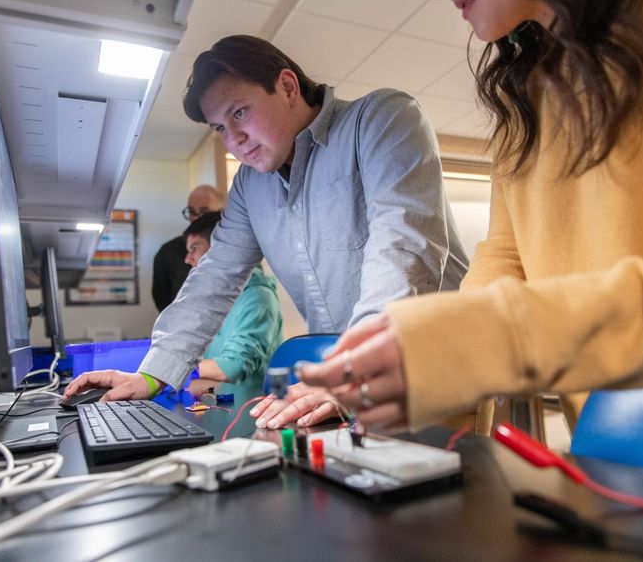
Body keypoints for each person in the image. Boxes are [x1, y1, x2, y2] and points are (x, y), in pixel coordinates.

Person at [264, 0, 643, 434]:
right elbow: (504, 253)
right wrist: (425, 357)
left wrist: (495, 339)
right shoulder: (523, 93)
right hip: (617, 447)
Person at [64, 35, 468, 404]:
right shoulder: (249, 186)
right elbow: (213, 277)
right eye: (221, 127)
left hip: (437, 367)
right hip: (354, 386)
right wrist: (152, 374)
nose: (233, 139)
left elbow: (402, 249)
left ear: (288, 87)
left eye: (239, 112)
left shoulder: (382, 120)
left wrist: (353, 368)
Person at [183, 211, 282, 390]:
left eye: (195, 249)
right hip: (220, 400)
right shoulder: (217, 297)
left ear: (220, 249)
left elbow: (233, 367)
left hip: (251, 409)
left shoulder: (258, 297)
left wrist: (171, 368)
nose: (188, 259)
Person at [151, 184, 224, 312]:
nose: (196, 218)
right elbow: (163, 302)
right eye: (191, 212)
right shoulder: (168, 253)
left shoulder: (240, 250)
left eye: (204, 212)